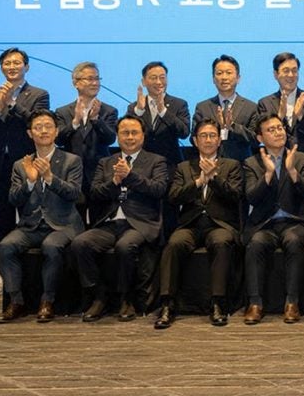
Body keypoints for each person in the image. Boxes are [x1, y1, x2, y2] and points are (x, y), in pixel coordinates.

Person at [73, 115, 168, 322]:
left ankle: (127, 298)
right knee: (81, 243)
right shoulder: (106, 162)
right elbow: (95, 193)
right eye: (125, 133)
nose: (130, 137)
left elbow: (159, 189)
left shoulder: (156, 161)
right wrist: (115, 181)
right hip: (109, 223)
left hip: (140, 223)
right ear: (117, 136)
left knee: (125, 246)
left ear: (143, 136)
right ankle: (99, 296)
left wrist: (130, 176)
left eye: (134, 132)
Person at [0, 109, 84, 323]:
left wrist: (50, 177)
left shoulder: (72, 160)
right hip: (31, 225)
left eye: (48, 127)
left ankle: (47, 301)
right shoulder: (21, 165)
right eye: (38, 127)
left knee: (51, 247)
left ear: (56, 131)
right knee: (6, 246)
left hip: (64, 225)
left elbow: (74, 194)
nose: (43, 131)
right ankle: (16, 302)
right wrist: (30, 182)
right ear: (30, 133)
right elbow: (13, 199)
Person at [154, 119, 243, 329]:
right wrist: (199, 182)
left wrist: (214, 178)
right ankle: (167, 304)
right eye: (203, 136)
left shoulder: (231, 165)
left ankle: (218, 303)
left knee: (221, 242)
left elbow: (236, 196)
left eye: (212, 135)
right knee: (174, 244)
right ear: (195, 140)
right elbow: (174, 197)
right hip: (191, 224)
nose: (208, 140)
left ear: (219, 140)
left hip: (220, 224)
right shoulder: (184, 167)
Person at [0, 47, 50, 296]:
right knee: (1, 222)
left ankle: (31, 275)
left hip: (28, 165)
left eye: (17, 63)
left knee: (31, 219)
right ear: (1, 68)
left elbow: (36, 122)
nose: (12, 67)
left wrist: (12, 103)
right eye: (7, 63)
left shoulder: (39, 94)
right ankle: (4, 275)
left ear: (26, 66)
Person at [241, 114, 304, 325]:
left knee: (293, 240)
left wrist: (292, 171)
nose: (278, 133)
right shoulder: (251, 163)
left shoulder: (300, 158)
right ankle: (255, 303)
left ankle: (292, 303)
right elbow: (251, 197)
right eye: (271, 130)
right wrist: (268, 174)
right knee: (256, 243)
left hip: (296, 221)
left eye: (280, 128)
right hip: (265, 223)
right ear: (260, 138)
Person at [128, 61, 189, 240]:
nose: (158, 82)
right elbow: (127, 134)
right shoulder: (134, 107)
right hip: (144, 170)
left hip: (171, 168)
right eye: (153, 78)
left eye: (162, 77)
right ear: (144, 81)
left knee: (170, 216)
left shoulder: (179, 104)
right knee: (146, 215)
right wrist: (139, 112)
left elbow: (184, 132)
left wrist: (163, 111)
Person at [55, 62, 118, 222]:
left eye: (97, 78)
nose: (95, 83)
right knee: (75, 224)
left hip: (100, 176)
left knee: (100, 224)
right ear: (76, 83)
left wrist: (96, 119)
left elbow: (110, 139)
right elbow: (58, 140)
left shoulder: (109, 111)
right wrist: (75, 122)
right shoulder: (63, 112)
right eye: (90, 79)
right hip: (72, 176)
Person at [256, 52, 304, 180]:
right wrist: (279, 117)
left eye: (294, 71)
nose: (291, 75)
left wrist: (301, 118)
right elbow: (263, 137)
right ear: (276, 74)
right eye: (286, 71)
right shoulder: (265, 103)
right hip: (277, 165)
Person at [192, 54, 259, 162]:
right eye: (219, 73)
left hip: (241, 166)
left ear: (238, 78)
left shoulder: (251, 107)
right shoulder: (203, 107)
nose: (224, 77)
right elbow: (193, 138)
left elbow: (256, 140)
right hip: (210, 165)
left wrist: (232, 126)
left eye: (229, 73)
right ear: (213, 79)